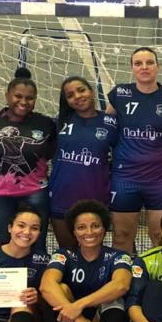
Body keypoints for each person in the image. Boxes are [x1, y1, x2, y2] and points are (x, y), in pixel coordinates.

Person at [40, 200, 132, 322]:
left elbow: (122, 284)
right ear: (74, 232)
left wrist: (78, 306)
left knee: (114, 296)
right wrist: (78, 318)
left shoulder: (118, 257)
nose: (89, 232)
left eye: (95, 226)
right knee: (58, 290)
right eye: (82, 227)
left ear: (105, 229)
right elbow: (46, 286)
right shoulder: (63, 255)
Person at [105, 47, 162, 254]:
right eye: (138, 63)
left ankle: (153, 282)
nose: (144, 67)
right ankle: (124, 283)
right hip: (125, 177)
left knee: (160, 236)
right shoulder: (120, 94)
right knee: (122, 236)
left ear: (158, 66)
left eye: (149, 62)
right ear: (132, 68)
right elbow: (106, 127)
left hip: (159, 179)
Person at [0, 68, 56, 254]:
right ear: (7, 95)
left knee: (36, 244)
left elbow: (50, 153)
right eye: (18, 96)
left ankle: (38, 281)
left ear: (36, 99)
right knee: (1, 242)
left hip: (35, 192)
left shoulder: (45, 123)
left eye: (30, 98)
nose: (23, 102)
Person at [49, 76, 118, 249]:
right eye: (70, 95)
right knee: (67, 254)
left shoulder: (111, 122)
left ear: (91, 91)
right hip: (62, 198)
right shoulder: (58, 123)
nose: (77, 96)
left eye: (81, 90)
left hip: (96, 199)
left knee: (93, 253)